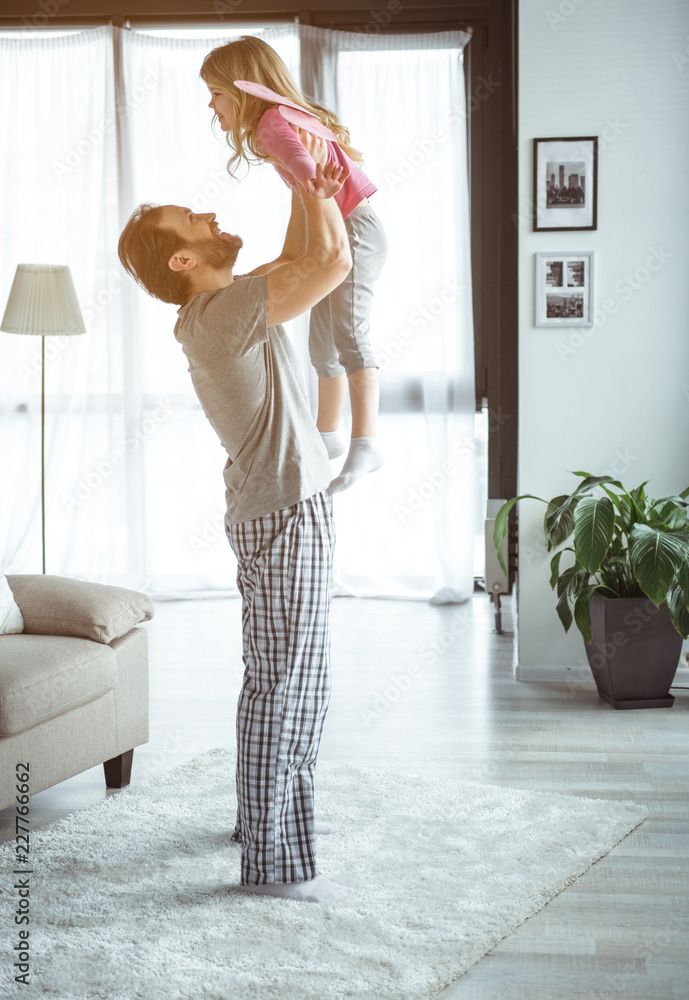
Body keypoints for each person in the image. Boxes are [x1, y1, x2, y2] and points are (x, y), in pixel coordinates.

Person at [117, 130, 353, 903]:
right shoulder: (218, 316)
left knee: (299, 682)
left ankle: (266, 825)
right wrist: (307, 175)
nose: (212, 214)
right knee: (280, 685)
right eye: (196, 220)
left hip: (290, 505)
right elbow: (332, 265)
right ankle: (271, 867)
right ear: (183, 262)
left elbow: (296, 262)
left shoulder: (227, 304)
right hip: (283, 513)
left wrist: (301, 177)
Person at [200, 35, 387, 494]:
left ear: (243, 89)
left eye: (216, 92)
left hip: (355, 233)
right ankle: (328, 435)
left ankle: (366, 443)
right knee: (322, 344)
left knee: (349, 336)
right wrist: (236, 285)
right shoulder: (280, 124)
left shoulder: (270, 124)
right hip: (339, 226)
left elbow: (302, 162)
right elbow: (290, 254)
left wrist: (312, 181)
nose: (211, 105)